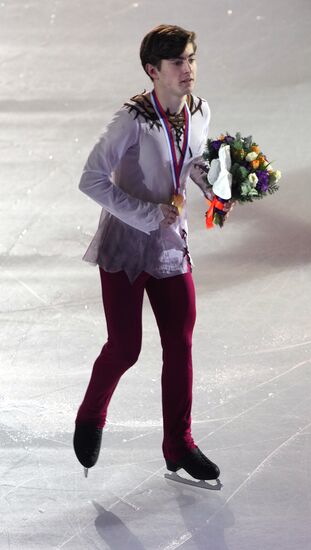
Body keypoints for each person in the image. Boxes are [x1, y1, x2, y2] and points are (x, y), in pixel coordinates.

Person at [73, 24, 234, 480]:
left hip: (169, 246)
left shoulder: (200, 111)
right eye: (178, 63)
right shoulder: (132, 120)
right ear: (153, 70)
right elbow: (91, 179)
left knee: (180, 344)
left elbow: (194, 160)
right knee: (125, 348)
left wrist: (217, 186)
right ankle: (90, 416)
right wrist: (145, 213)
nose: (188, 70)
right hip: (125, 247)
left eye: (191, 59)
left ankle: (178, 445)